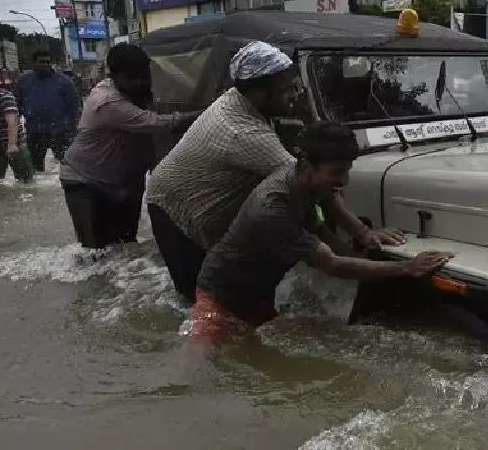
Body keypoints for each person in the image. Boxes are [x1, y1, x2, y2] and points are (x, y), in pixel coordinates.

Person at [148, 41, 399, 303]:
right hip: (174, 208)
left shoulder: (245, 100)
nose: (293, 95)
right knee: (199, 300)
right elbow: (308, 182)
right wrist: (362, 233)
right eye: (285, 90)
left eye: (294, 86)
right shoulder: (242, 132)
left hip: (202, 192)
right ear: (258, 92)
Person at [189, 122, 453, 346]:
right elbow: (331, 264)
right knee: (211, 368)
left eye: (347, 170)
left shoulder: (303, 181)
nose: (345, 180)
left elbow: (327, 201)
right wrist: (407, 268)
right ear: (306, 165)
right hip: (221, 299)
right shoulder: (271, 208)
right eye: (337, 172)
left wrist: (363, 233)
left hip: (259, 295)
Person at [60, 44, 199, 249]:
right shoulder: (107, 101)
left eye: (144, 76)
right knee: (94, 253)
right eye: (132, 78)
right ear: (113, 76)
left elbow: (152, 140)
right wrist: (211, 109)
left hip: (127, 182)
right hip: (85, 181)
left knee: (126, 248)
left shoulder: (145, 92)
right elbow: (161, 124)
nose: (140, 82)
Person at [15, 50, 82, 171]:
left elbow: (75, 106)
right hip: (35, 131)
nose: (45, 65)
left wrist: (73, 128)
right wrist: (16, 132)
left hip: (60, 131)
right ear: (34, 63)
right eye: (42, 62)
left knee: (68, 165)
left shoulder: (64, 81)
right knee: (35, 169)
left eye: (48, 62)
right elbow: (16, 106)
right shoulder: (23, 81)